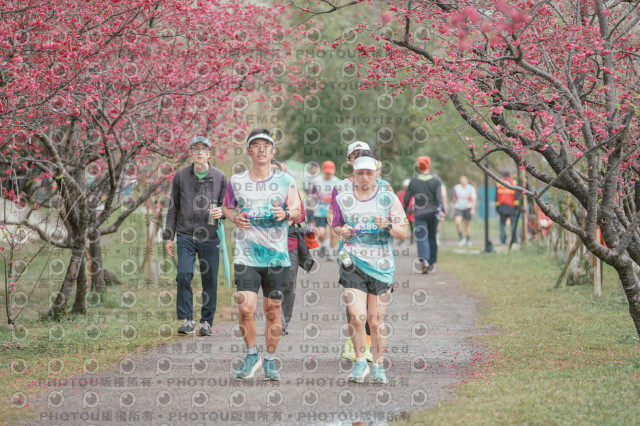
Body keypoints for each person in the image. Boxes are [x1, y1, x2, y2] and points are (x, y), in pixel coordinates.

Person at [222, 129, 301, 381]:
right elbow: (227, 207)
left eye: (266, 146)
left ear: (273, 151)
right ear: (249, 151)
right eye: (255, 145)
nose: (261, 150)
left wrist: (285, 214)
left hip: (277, 257)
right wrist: (234, 218)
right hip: (246, 255)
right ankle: (251, 354)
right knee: (245, 307)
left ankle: (269, 359)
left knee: (273, 310)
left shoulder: (286, 181)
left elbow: (298, 210)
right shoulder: (236, 181)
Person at [331, 150, 408, 384]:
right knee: (357, 317)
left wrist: (388, 226)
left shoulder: (388, 198)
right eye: (360, 173)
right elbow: (336, 226)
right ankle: (359, 362)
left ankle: (379, 365)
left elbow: (403, 232)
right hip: (352, 263)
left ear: (377, 173)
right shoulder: (344, 198)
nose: (365, 177)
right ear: (354, 174)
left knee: (375, 322)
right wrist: (342, 231)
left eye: (369, 173)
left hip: (381, 267)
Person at [164, 136, 227, 336]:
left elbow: (229, 207)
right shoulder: (181, 176)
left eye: (204, 149)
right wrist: (169, 237)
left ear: (209, 154)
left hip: (210, 236)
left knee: (210, 279)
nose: (200, 152)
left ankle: (206, 322)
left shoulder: (220, 177)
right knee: (183, 274)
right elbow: (173, 208)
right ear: (190, 153)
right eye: (196, 149)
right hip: (186, 235)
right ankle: (187, 319)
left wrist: (222, 212)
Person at [270, 159, 315, 336]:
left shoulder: (291, 190)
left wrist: (289, 217)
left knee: (289, 286)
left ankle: (284, 322)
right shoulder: (260, 193)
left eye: (278, 171)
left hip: (290, 244)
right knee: (272, 284)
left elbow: (302, 214)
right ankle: (277, 320)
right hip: (267, 245)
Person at [404, 156, 443, 274]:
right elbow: (439, 198)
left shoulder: (413, 181)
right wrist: (442, 210)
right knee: (432, 236)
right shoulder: (436, 180)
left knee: (422, 237)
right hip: (433, 212)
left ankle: (424, 259)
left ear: (418, 167)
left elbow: (406, 198)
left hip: (419, 213)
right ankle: (431, 263)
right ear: (429, 166)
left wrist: (404, 210)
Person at [310, 160, 341, 260]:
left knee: (333, 233)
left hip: (333, 212)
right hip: (320, 212)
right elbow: (312, 194)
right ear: (323, 171)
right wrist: (311, 207)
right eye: (326, 172)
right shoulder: (317, 181)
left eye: (330, 173)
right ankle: (324, 244)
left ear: (334, 171)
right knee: (321, 233)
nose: (328, 174)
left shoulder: (338, 182)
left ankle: (330, 252)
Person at [496, 170, 521, 245]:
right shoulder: (514, 182)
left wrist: (497, 209)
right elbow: (516, 196)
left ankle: (503, 241)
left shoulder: (499, 183)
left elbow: (496, 197)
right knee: (513, 224)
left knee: (502, 225)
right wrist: (517, 207)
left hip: (502, 207)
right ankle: (514, 241)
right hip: (512, 207)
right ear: (509, 174)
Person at [453, 175, 477, 247]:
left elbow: (474, 199)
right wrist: (453, 208)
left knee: (467, 224)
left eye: (464, 180)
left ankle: (468, 240)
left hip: (468, 207)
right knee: (458, 222)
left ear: (467, 180)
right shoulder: (457, 188)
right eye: (461, 180)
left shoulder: (471, 188)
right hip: (458, 207)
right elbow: (454, 198)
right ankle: (461, 238)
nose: (462, 181)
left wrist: (473, 209)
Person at [397, 179, 415, 244]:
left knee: (405, 226)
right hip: (407, 211)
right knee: (409, 226)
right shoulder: (411, 194)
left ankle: (405, 240)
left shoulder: (400, 193)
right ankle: (410, 240)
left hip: (405, 211)